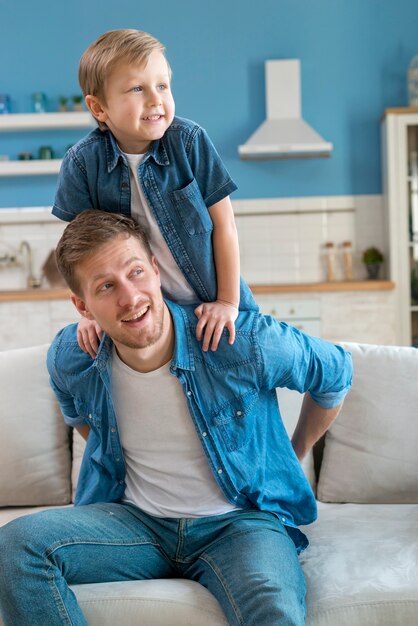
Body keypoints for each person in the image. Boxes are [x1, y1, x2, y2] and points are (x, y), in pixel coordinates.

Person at [0, 211, 352, 626]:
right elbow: (77, 415)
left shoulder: (239, 340)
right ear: (82, 305)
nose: (130, 298)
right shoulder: (72, 355)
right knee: (15, 546)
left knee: (272, 607)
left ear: (155, 269)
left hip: (238, 524)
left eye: (135, 273)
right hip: (136, 525)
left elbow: (335, 372)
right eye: (106, 286)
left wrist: (297, 451)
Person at [53, 28, 257, 358]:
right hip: (146, 318)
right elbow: (80, 255)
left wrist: (227, 302)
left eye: (162, 85)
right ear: (99, 108)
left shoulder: (190, 142)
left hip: (213, 302)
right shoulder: (81, 163)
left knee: (244, 371)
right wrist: (91, 315)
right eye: (137, 88)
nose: (155, 99)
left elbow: (225, 227)